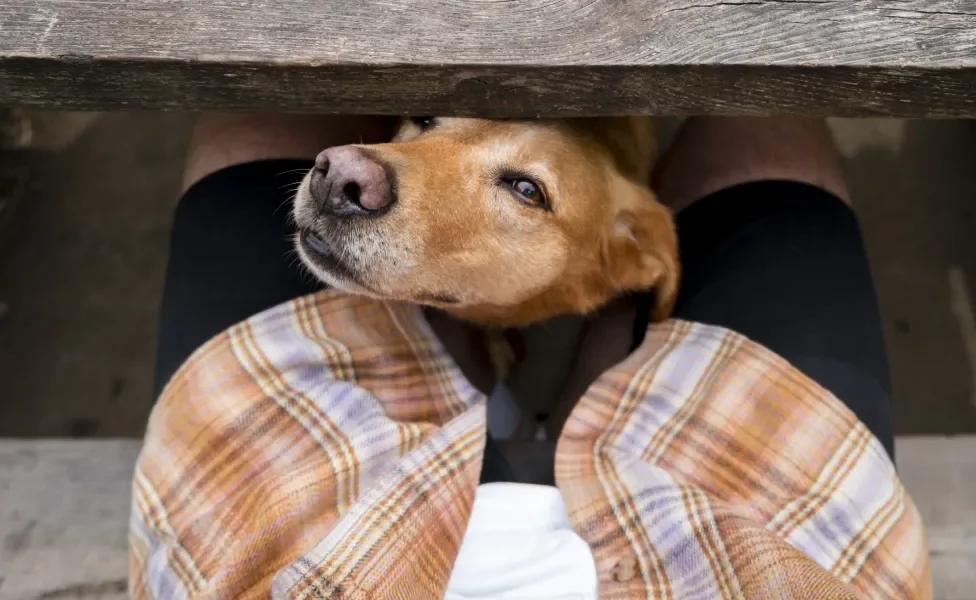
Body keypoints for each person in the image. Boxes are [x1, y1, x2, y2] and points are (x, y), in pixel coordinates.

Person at [131, 116, 930, 599]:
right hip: (740, 550)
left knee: (263, 109)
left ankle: (487, 372)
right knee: (765, 126)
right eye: (431, 123)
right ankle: (603, 344)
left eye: (522, 187)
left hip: (293, 541)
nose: (354, 161)